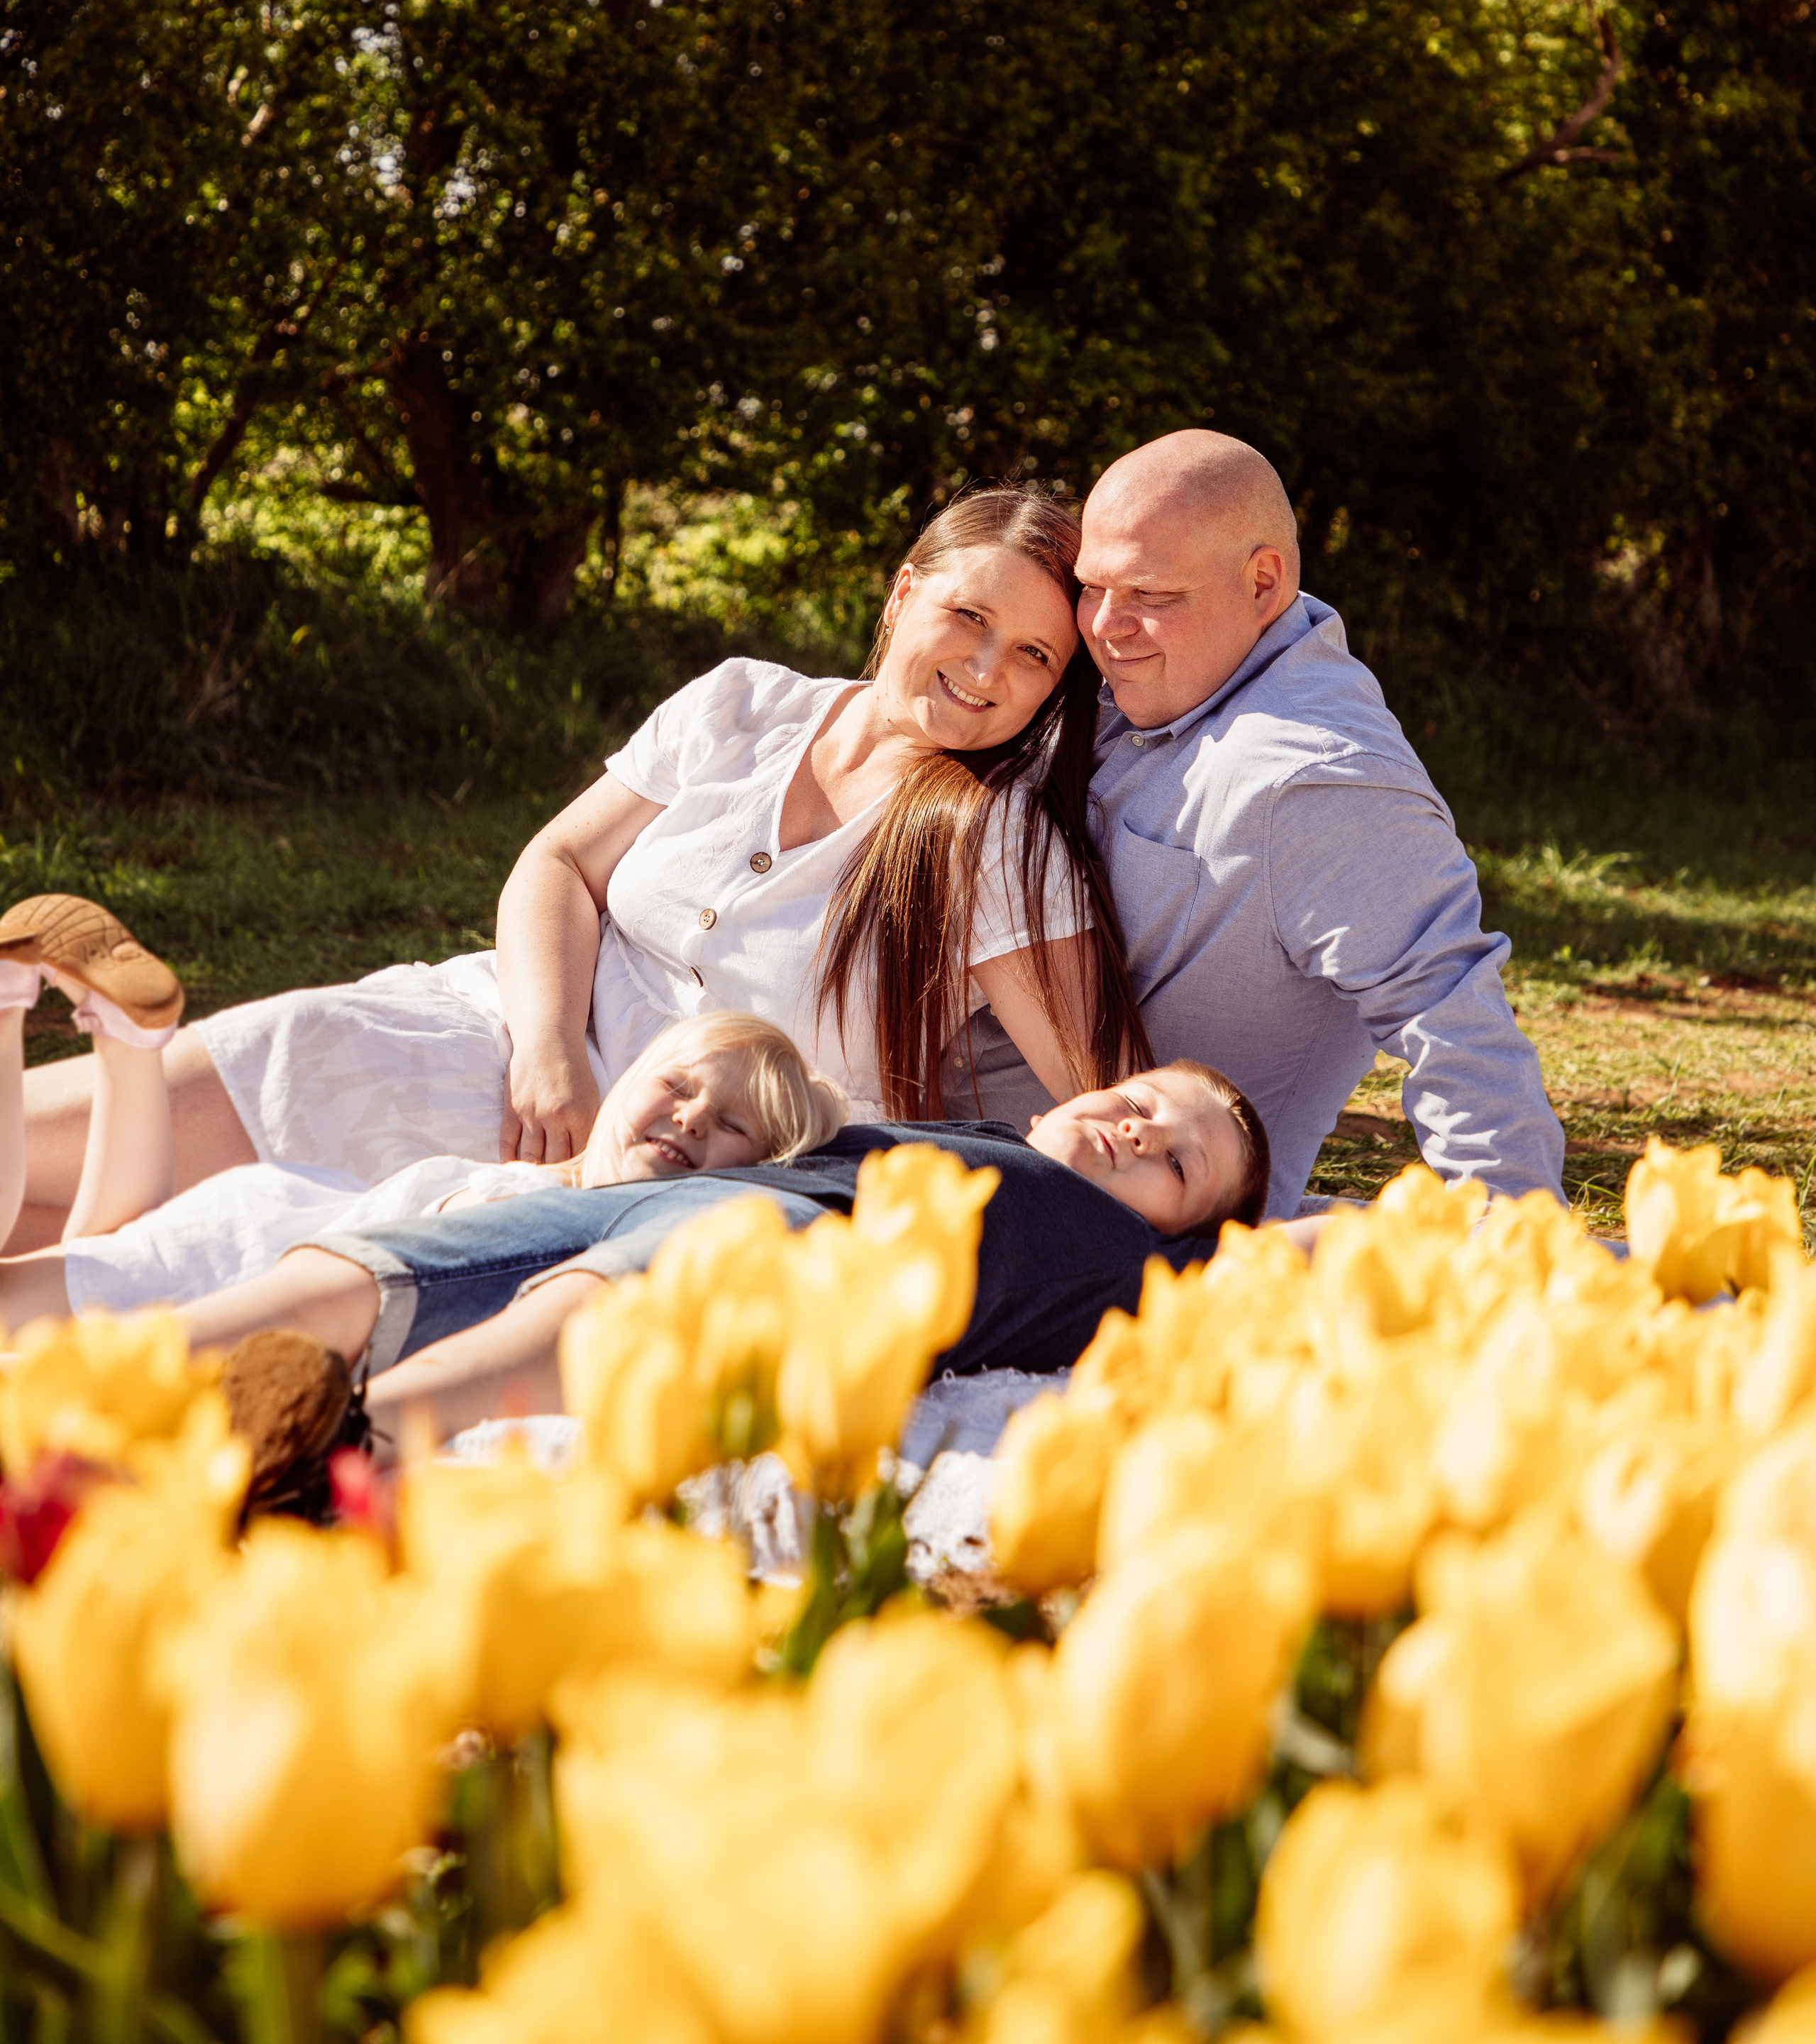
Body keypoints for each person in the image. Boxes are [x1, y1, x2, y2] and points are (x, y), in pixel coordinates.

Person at [6, 490, 1148, 1249]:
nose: (986, 668)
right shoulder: (745, 703)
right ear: (903, 593)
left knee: (143, 1217)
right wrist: (548, 1046)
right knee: (180, 1107)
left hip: (671, 1158)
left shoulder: (996, 845)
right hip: (501, 1039)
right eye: (967, 615)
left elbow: (1112, 1094)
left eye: (1034, 654)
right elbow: (557, 861)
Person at [955, 431, 1566, 1222]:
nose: (1105, 625)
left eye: (1151, 595)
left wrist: (1524, 1238)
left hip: (1084, 1228)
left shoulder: (1318, 778)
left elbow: (1447, 1010)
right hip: (916, 1149)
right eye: (1092, 586)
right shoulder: (1156, 674)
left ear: (1263, 582)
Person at [174, 1056, 1274, 1492]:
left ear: (1184, 1234)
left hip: (806, 1248)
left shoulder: (1126, 1263)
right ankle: (144, 1368)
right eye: (1138, 1101)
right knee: (395, 1270)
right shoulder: (972, 1130)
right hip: (698, 1190)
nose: (1141, 1133)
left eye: (1179, 1163)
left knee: (615, 1306)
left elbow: (1298, 1247)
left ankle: (349, 1438)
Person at [0, 934, 846, 1331]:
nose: (691, 1117)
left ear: (754, 1171)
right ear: (625, 1083)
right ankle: (27, 1019)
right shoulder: (529, 1200)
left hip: (269, 1235)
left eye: (729, 1124)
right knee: (49, 1287)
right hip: (261, 1249)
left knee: (91, 1249)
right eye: (677, 1087)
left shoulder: (595, 1229)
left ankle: (125, 1049)